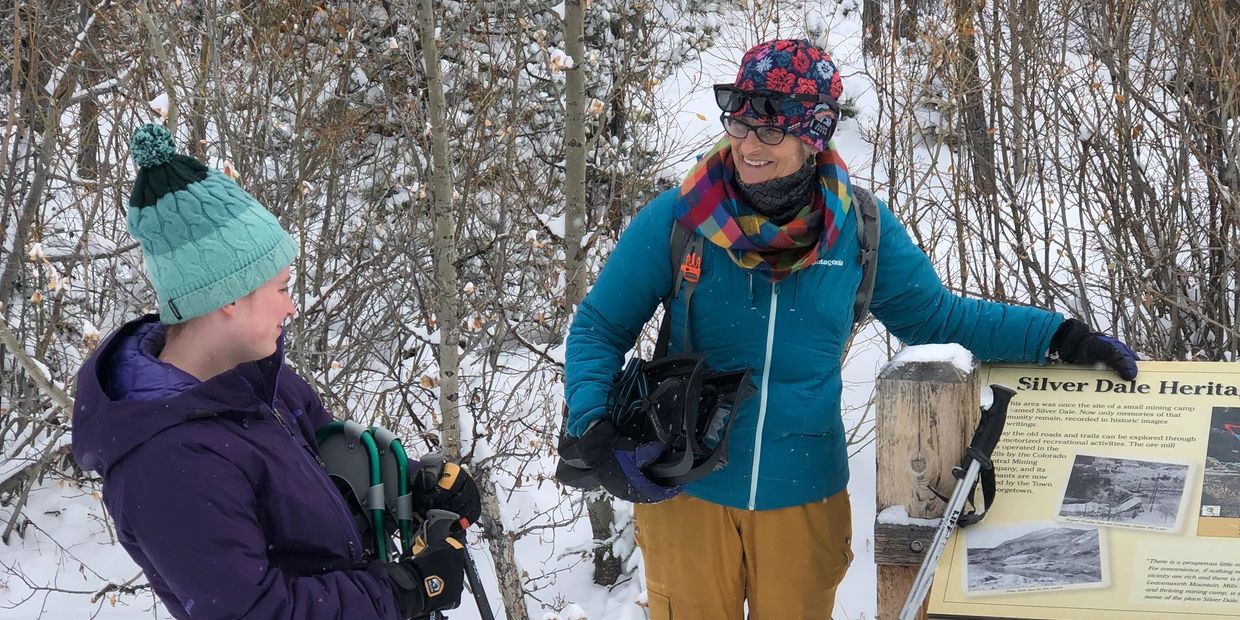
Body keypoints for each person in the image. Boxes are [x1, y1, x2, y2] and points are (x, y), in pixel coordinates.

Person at [563, 39, 1139, 619]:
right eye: (739, 121)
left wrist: (1059, 336)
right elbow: (600, 326)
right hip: (684, 487)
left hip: (803, 495)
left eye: (770, 130)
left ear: (814, 135)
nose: (747, 145)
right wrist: (593, 420)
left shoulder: (859, 230)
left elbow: (939, 318)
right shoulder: (682, 217)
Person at [72, 124, 481, 620]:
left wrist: (412, 485)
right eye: (282, 287)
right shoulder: (164, 463)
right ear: (226, 297)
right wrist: (398, 593)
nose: (292, 307)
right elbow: (256, 612)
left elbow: (319, 468)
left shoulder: (254, 379)